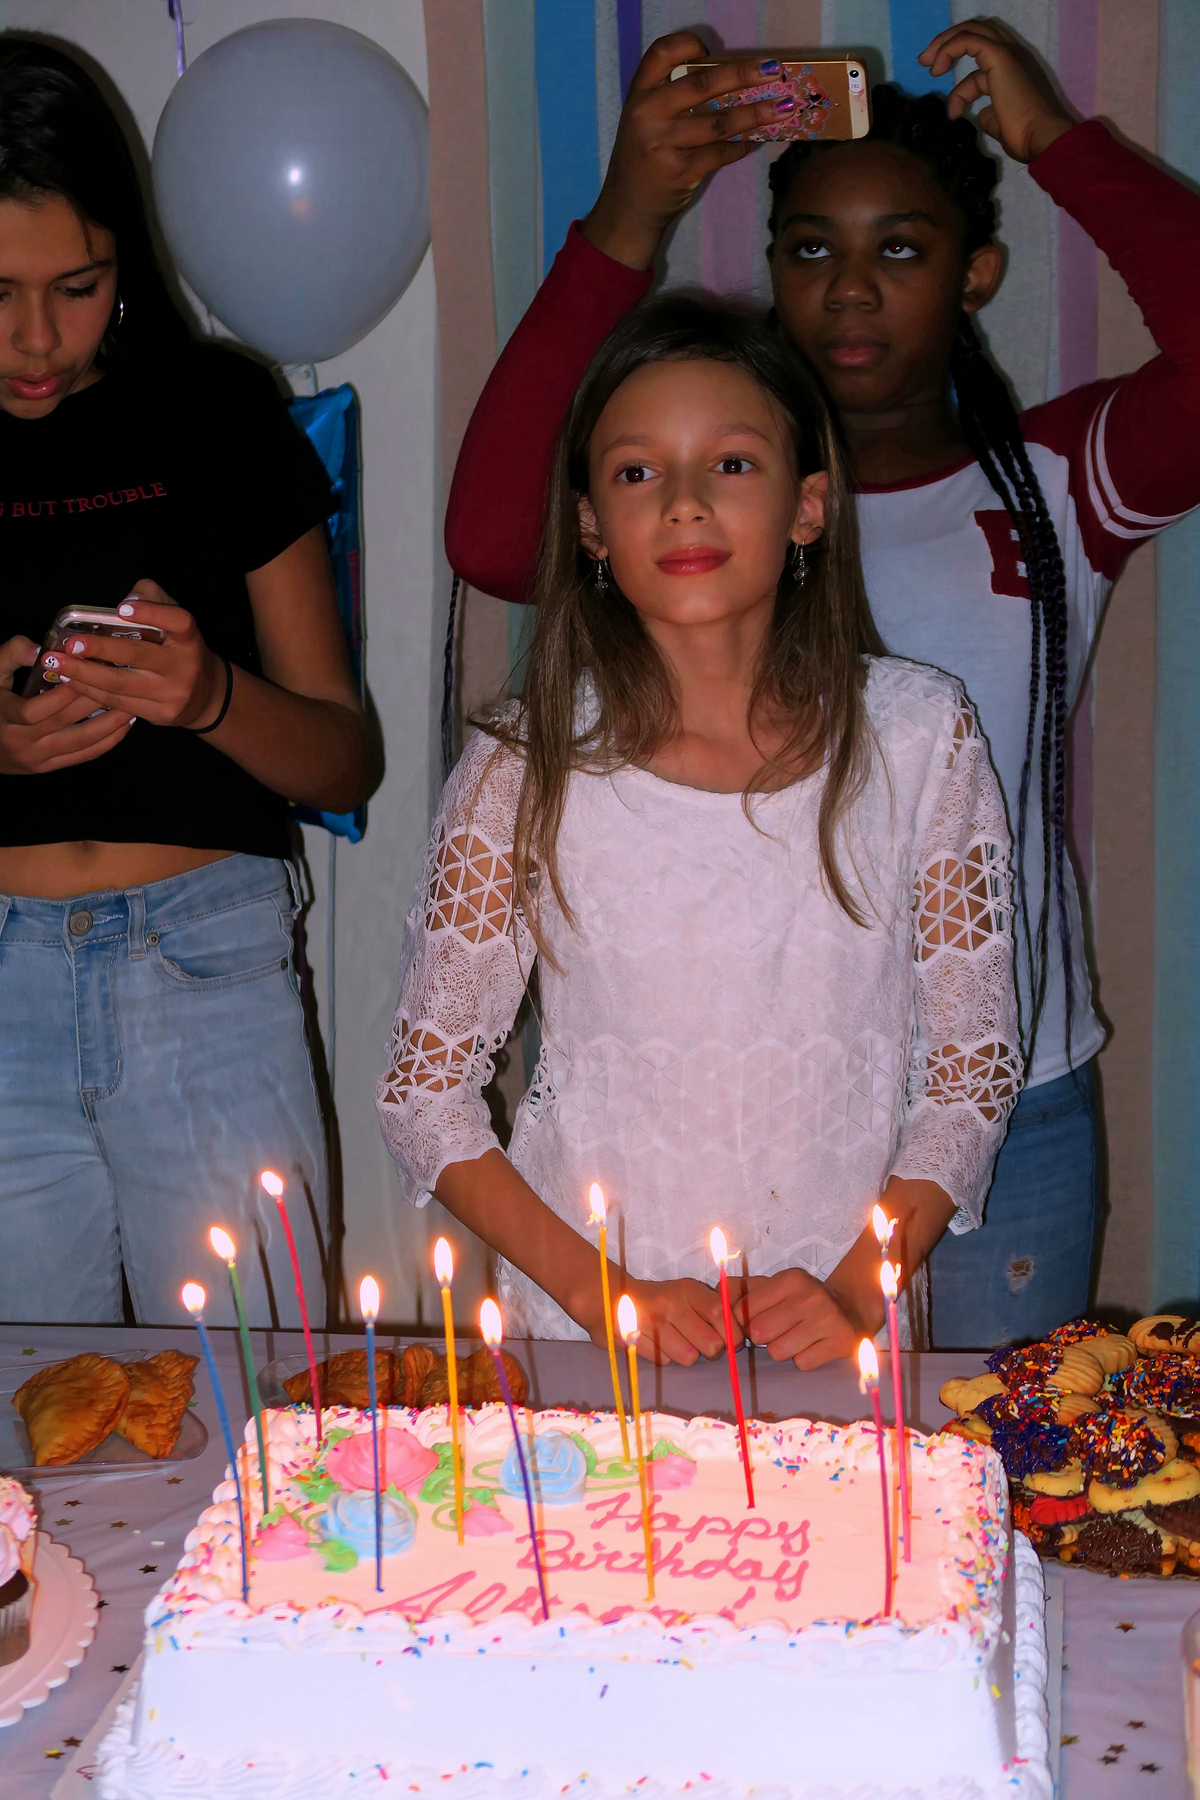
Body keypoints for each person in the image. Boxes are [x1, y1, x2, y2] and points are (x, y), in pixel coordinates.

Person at [442, 20, 1200, 1349]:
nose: (851, 290)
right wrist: (634, 213)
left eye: (901, 249)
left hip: (1003, 1096)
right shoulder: (684, 516)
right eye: (811, 250)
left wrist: (1060, 144)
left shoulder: (1057, 484)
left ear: (978, 276)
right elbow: (495, 537)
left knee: (995, 1490)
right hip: (730, 1129)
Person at [378, 297, 1020, 1367]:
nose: (682, 504)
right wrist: (601, 1294)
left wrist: (861, 1286)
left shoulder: (920, 739)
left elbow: (971, 1069)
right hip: (591, 1344)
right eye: (636, 473)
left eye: (729, 465)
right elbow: (425, 1096)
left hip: (841, 1332)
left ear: (807, 507)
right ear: (590, 526)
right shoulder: (525, 762)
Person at [0, 40, 370, 1326]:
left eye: (78, 286)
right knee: (22, 1447)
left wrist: (210, 693)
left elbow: (345, 757)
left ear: (127, 264)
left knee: (263, 1437)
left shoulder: (216, 411)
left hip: (203, 961)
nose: (35, 339)